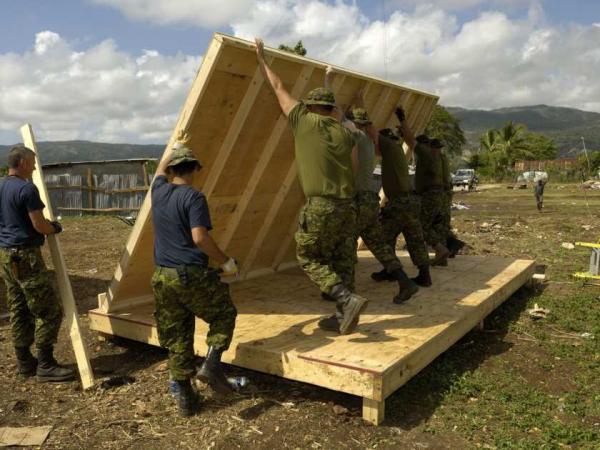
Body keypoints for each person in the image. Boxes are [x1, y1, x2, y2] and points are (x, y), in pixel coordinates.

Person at [255, 38, 368, 334]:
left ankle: (345, 298)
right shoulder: (345, 133)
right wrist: (328, 80)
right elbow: (354, 161)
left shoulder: (303, 122)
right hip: (348, 205)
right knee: (344, 259)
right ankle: (345, 315)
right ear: (331, 109)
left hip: (321, 205)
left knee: (308, 256)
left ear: (310, 106)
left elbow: (279, 89)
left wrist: (262, 58)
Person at [150, 132, 239, 417]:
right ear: (196, 170)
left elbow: (158, 171)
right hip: (189, 275)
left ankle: (186, 399)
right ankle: (212, 365)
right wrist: (226, 262)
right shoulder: (194, 197)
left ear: (172, 169)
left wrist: (175, 146)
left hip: (162, 277)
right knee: (224, 314)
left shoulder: (158, 191)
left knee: (177, 336)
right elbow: (200, 238)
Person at [0, 145, 75, 382]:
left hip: (5, 255)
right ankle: (45, 364)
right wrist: (55, 227)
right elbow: (39, 225)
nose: (34, 167)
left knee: (19, 308)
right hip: (26, 257)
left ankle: (24, 362)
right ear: (22, 162)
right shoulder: (27, 188)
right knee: (49, 310)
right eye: (32, 162)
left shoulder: (1, 185)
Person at [342, 92, 418, 303]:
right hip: (370, 201)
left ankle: (345, 293)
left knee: (346, 244)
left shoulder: (355, 140)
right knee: (379, 244)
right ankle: (405, 281)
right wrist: (361, 103)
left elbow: (341, 121)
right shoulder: (368, 142)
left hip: (357, 202)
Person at [373, 107, 432, 287]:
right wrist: (402, 118)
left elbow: (370, 133)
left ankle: (391, 271)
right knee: (414, 238)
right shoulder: (396, 148)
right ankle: (424, 274)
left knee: (383, 238)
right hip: (409, 202)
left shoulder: (389, 146)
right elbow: (409, 137)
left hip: (400, 203)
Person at [414, 136, 451, 265]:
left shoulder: (430, 157)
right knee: (438, 226)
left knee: (421, 226)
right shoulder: (442, 158)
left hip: (432, 195)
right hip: (442, 195)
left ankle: (439, 250)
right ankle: (441, 257)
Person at [436, 142, 465, 262]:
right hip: (444, 194)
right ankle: (452, 245)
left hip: (438, 195)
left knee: (433, 226)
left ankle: (450, 246)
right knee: (441, 226)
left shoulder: (437, 160)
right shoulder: (443, 159)